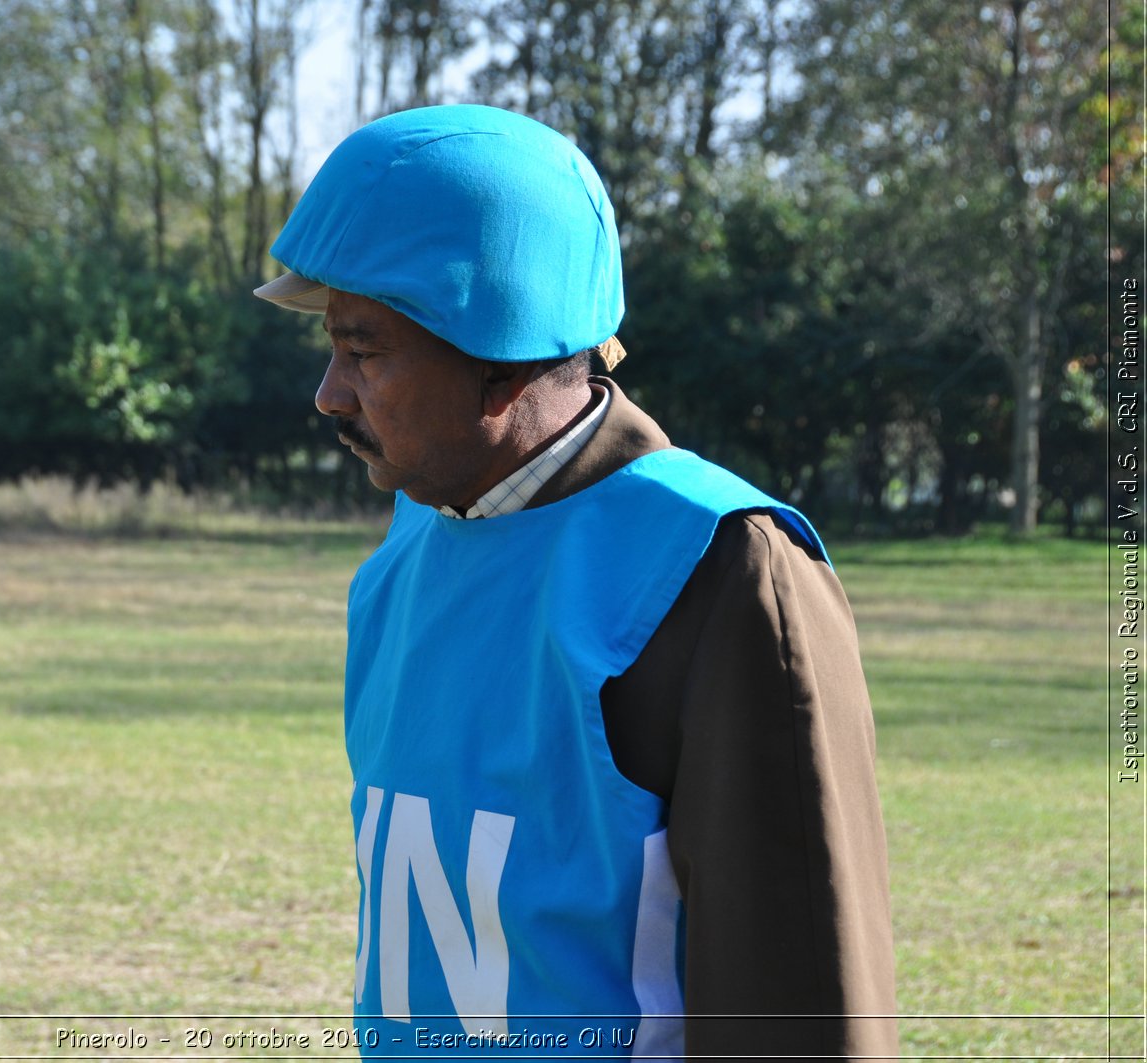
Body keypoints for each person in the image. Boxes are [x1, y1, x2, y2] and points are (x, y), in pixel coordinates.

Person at [254, 105, 897, 1060]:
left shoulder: (720, 571)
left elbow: (801, 1011)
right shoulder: (403, 550)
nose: (329, 394)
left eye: (365, 349)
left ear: (505, 358)